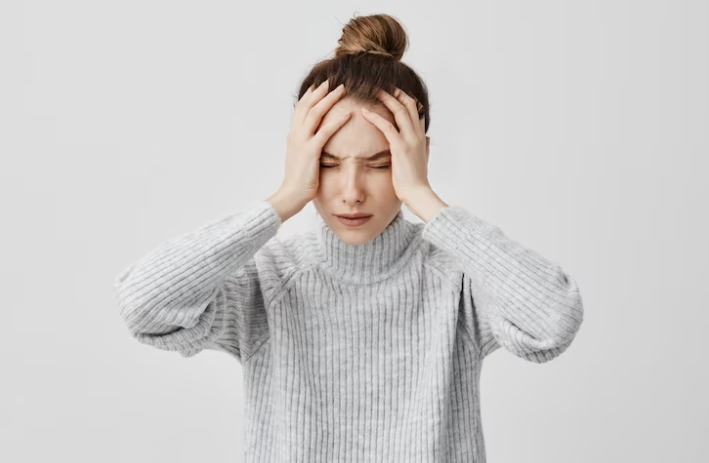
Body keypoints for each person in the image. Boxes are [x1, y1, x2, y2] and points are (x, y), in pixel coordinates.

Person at [114, 13, 584, 463]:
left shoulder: (456, 280)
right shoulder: (269, 280)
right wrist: (283, 199)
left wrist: (424, 197)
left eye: (380, 164)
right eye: (328, 163)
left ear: (415, 159)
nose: (352, 192)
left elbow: (554, 321)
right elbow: (143, 306)